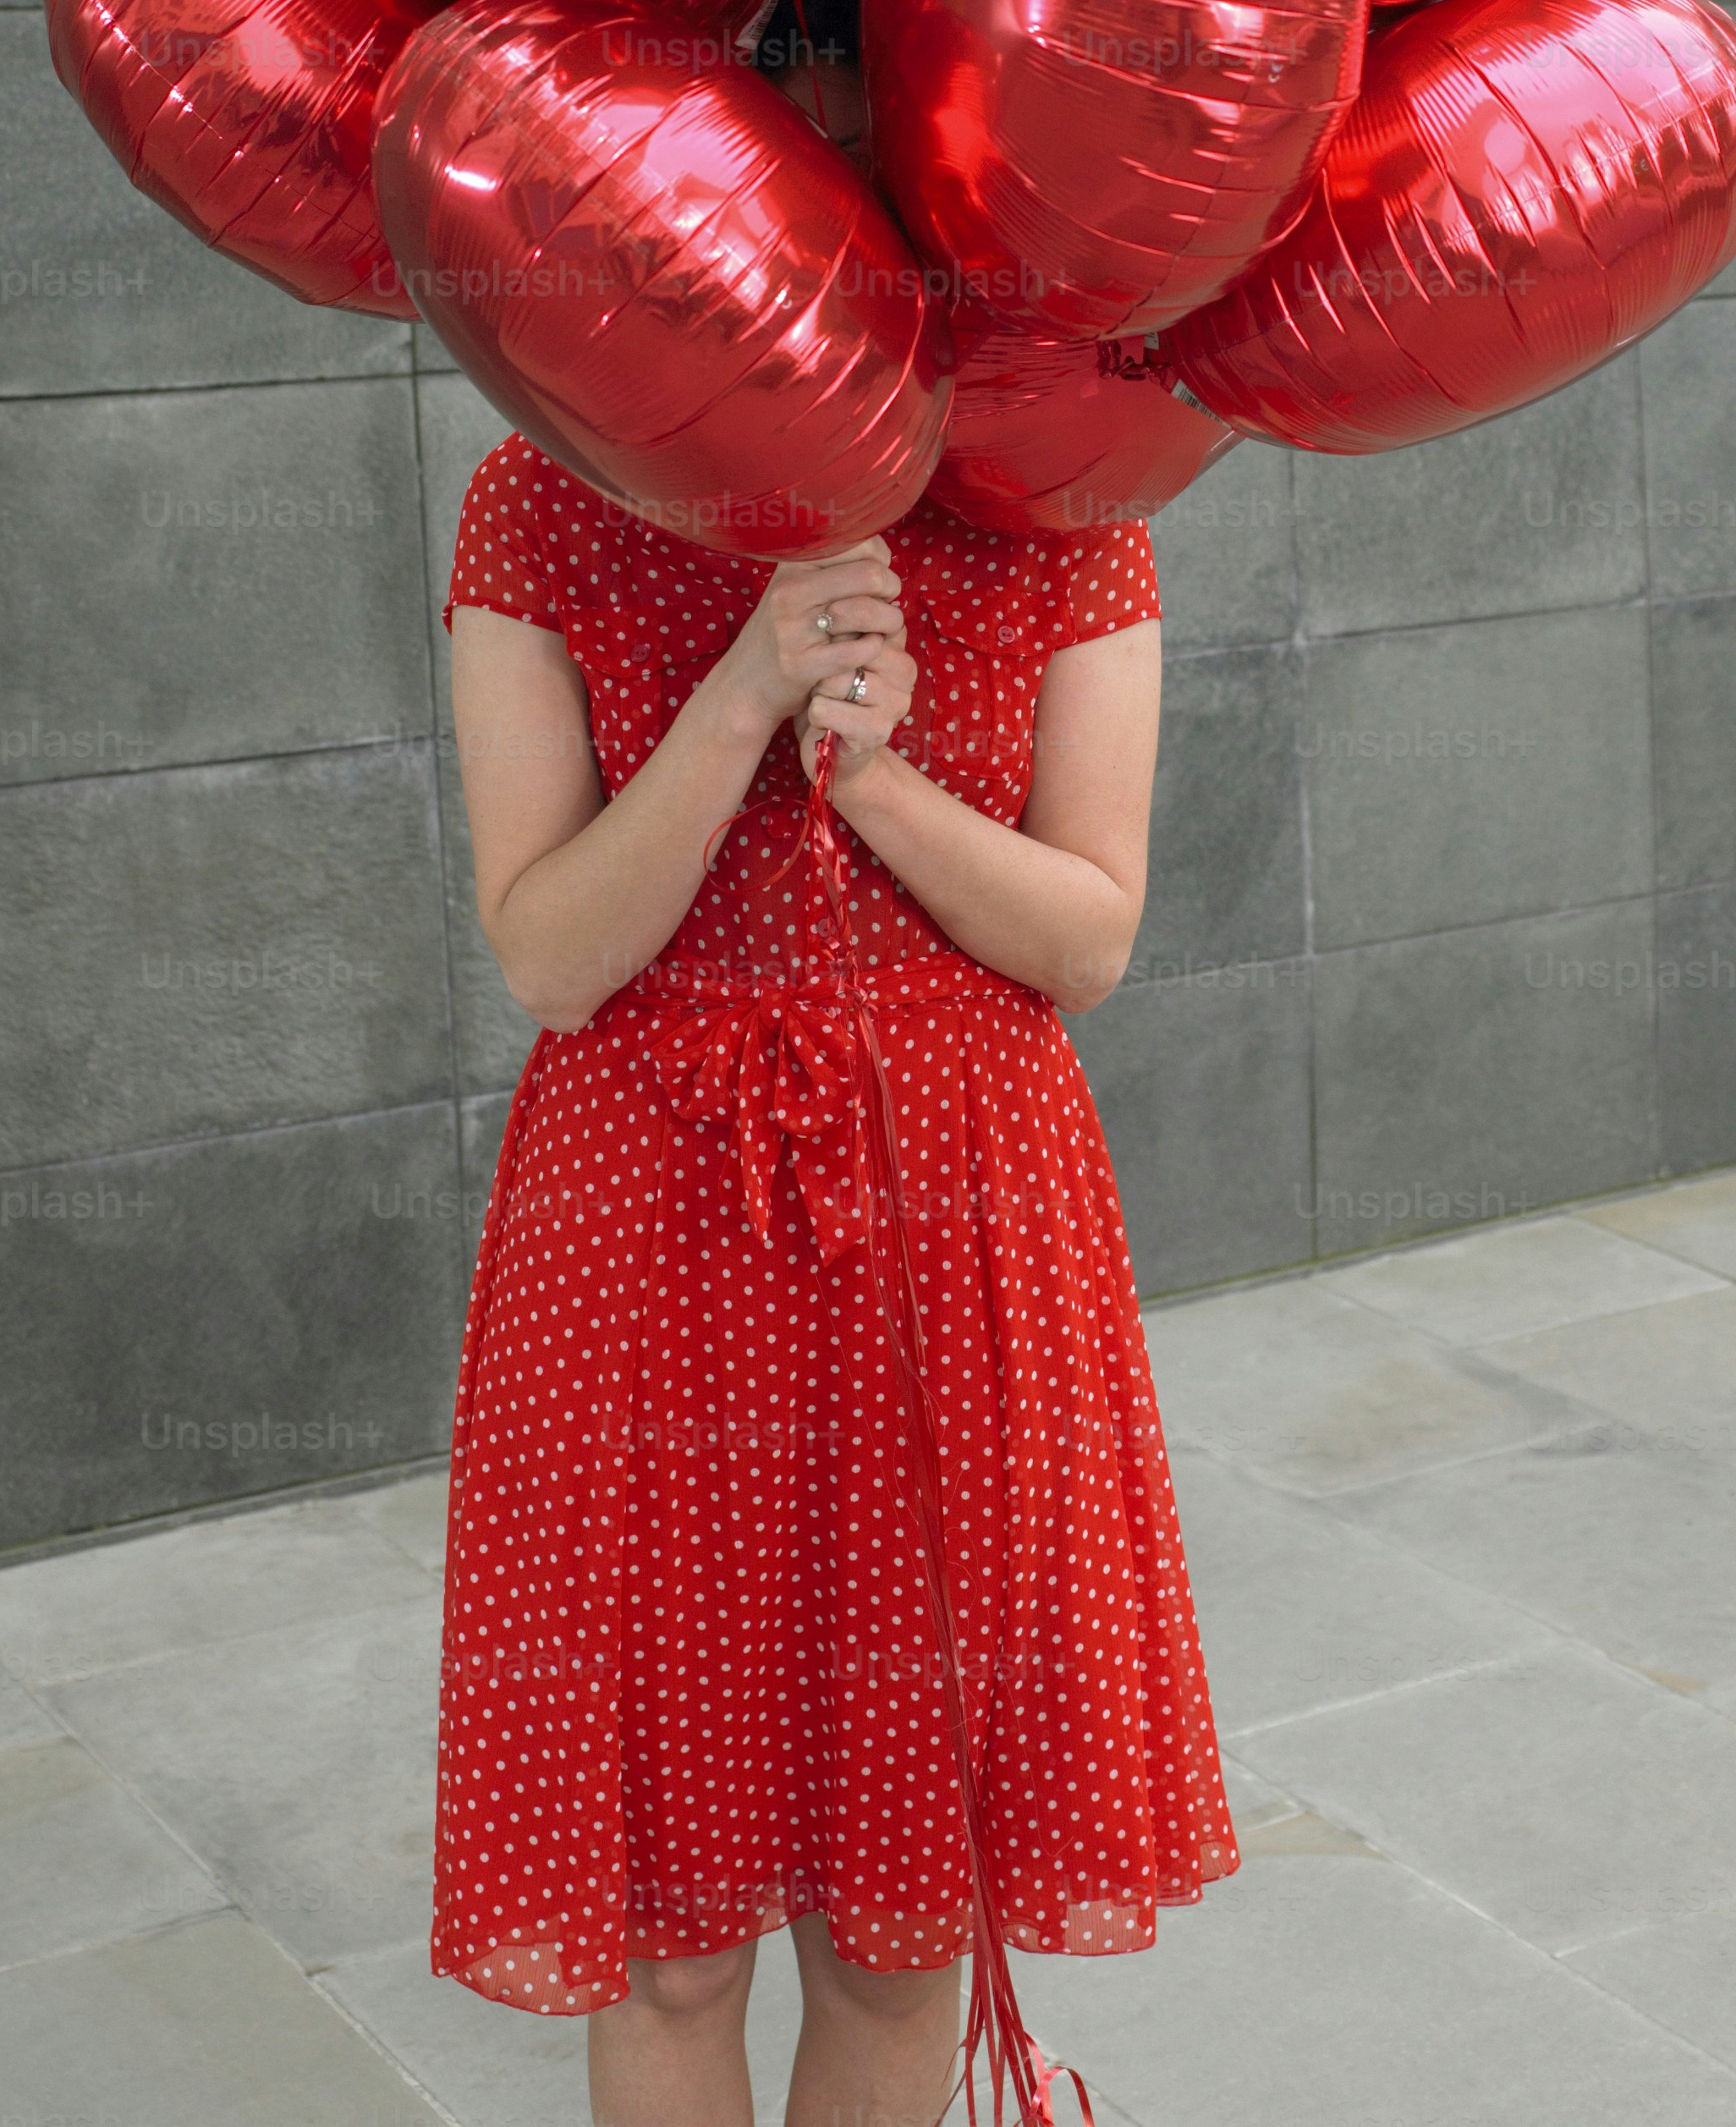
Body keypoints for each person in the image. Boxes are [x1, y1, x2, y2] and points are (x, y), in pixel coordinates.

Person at [430, 405, 1239, 2126]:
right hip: (648, 1222)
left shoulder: (1060, 490)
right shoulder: (544, 493)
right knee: (670, 1943)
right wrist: (742, 696)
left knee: (896, 1928)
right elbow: (551, 956)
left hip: (956, 1227)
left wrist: (869, 775)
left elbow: (1085, 936)